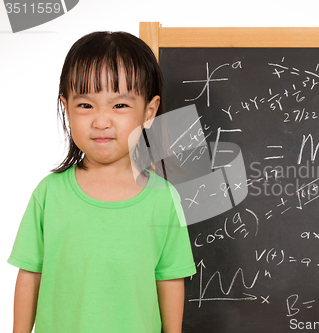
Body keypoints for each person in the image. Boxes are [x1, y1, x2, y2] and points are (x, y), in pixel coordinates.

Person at [7, 31, 196, 333]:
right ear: (66, 107)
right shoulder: (49, 194)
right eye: (86, 105)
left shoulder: (162, 198)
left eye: (119, 106)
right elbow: (30, 274)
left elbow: (169, 278)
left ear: (149, 111)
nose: (101, 121)